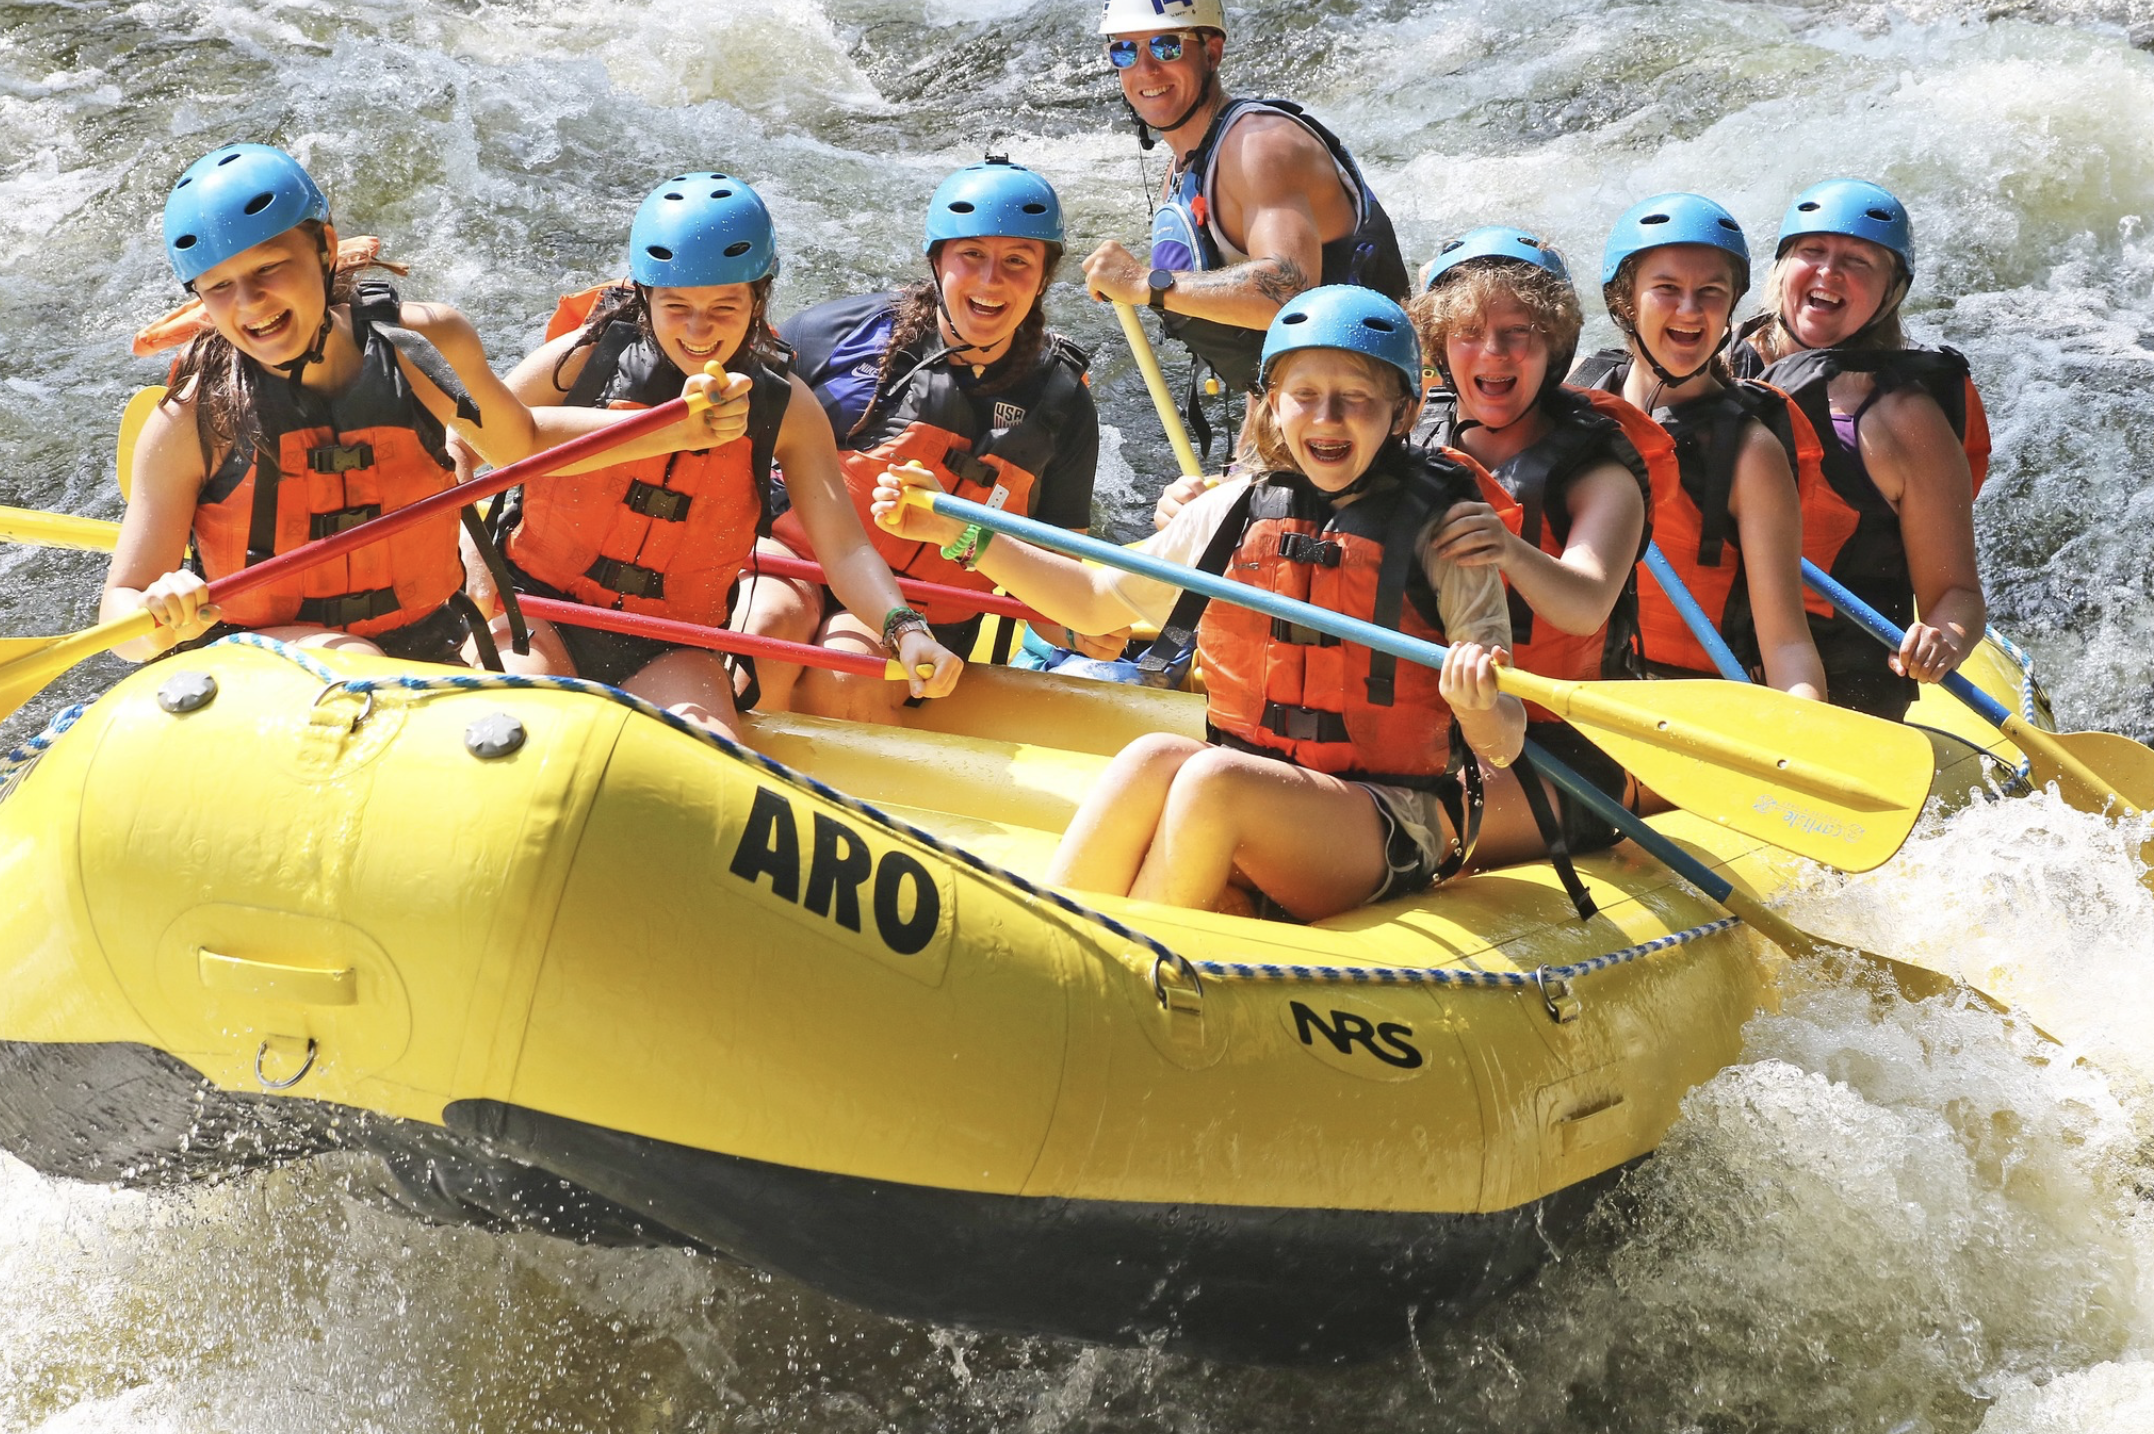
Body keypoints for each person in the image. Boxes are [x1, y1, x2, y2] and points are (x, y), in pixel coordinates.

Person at [873, 286, 1544, 920]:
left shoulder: (1444, 530)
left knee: (1211, 780)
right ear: (1273, 404)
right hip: (1266, 794)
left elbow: (1504, 743)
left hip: (1393, 821)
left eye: (1356, 399)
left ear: (1401, 410)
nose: (1327, 418)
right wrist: (957, 530)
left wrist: (1476, 701)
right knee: (1152, 756)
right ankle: (1056, 930)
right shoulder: (1236, 509)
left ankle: (1113, 966)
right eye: (1304, 395)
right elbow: (1092, 601)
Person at [469, 172, 963, 737]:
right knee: (515, 730)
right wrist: (473, 561)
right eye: (676, 305)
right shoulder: (586, 358)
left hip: (672, 643)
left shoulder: (786, 407)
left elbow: (845, 548)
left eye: (725, 306)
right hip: (542, 609)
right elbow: (481, 440)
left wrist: (904, 627)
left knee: (703, 756)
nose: (699, 329)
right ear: (644, 295)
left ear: (759, 299)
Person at [102, 143, 621, 665]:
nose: (248, 302)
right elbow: (118, 619)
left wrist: (685, 428)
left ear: (325, 247)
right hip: (258, 667)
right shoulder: (193, 419)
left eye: (269, 268)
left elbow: (524, 443)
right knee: (354, 656)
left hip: (425, 644)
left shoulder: (424, 347)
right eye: (219, 286)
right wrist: (157, 618)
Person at [738, 156, 1099, 720]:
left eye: (1017, 261)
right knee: (765, 629)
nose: (990, 281)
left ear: (1046, 276)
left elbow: (1056, 584)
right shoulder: (830, 337)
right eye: (971, 255)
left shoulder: (1063, 404)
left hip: (924, 610)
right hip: (795, 563)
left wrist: (1087, 632)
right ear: (937, 261)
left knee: (847, 673)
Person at [1408, 227, 1676, 912]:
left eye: (1518, 332)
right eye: (1469, 331)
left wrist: (1509, 549)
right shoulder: (1407, 441)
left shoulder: (1598, 471)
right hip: (1429, 732)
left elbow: (1585, 603)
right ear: (1439, 347)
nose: (1494, 353)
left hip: (1566, 755)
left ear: (1556, 347)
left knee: (1397, 817)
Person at [1079, 0, 1410, 456]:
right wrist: (1248, 457)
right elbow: (1274, 352)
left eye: (1166, 46)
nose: (1146, 68)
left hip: (1363, 420)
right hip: (1299, 419)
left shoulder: (1259, 147)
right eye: (1125, 52)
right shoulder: (1186, 164)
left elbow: (1289, 295)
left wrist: (1146, 284)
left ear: (1211, 52)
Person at [1731, 178, 1988, 719]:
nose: (1829, 272)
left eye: (1858, 261)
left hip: (1845, 680)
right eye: (1813, 252)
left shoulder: (1903, 420)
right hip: (1712, 658)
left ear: (1890, 291)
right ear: (1782, 268)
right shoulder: (1718, 368)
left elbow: (1959, 594)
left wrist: (1943, 637)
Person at [1568, 193, 1828, 698]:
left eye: (1710, 291)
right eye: (1666, 288)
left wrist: (1804, 727)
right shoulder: (1577, 407)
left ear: (1731, 305)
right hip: (1588, 693)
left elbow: (1787, 646)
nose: (1690, 310)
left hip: (1705, 702)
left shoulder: (1749, 453)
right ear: (1626, 301)